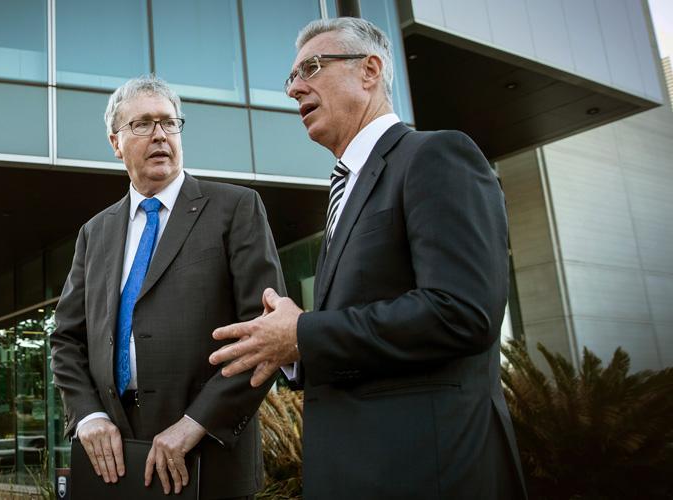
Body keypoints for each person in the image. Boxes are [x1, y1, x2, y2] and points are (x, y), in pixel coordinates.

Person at [208, 17, 527, 499]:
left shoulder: (436, 155)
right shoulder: (345, 191)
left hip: (429, 473)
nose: (295, 88)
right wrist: (294, 348)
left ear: (370, 70)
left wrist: (303, 334)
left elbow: (463, 312)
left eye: (311, 68)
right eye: (290, 78)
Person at [50, 75, 285, 499]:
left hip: (208, 457)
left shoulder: (235, 208)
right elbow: (67, 340)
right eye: (142, 124)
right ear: (115, 142)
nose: (159, 134)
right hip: (114, 457)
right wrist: (88, 417)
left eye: (169, 122)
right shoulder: (94, 232)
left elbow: (264, 335)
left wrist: (195, 423)